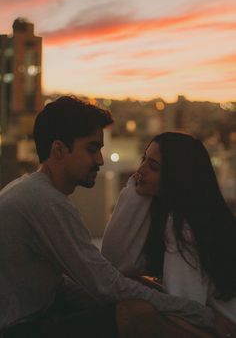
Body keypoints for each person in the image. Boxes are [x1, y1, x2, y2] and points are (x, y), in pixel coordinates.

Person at [0, 100, 215, 338]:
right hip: (19, 328)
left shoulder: (31, 190)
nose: (100, 160)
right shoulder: (45, 201)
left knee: (135, 290)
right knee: (135, 313)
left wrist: (147, 289)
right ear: (59, 150)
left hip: (35, 317)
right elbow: (105, 285)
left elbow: (66, 285)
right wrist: (200, 314)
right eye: (92, 149)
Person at [102, 131, 236, 337]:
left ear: (176, 176)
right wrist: (134, 193)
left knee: (131, 309)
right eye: (144, 160)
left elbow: (186, 305)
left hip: (224, 327)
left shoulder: (184, 224)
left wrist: (133, 194)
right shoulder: (194, 214)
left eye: (153, 167)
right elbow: (118, 261)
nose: (140, 171)